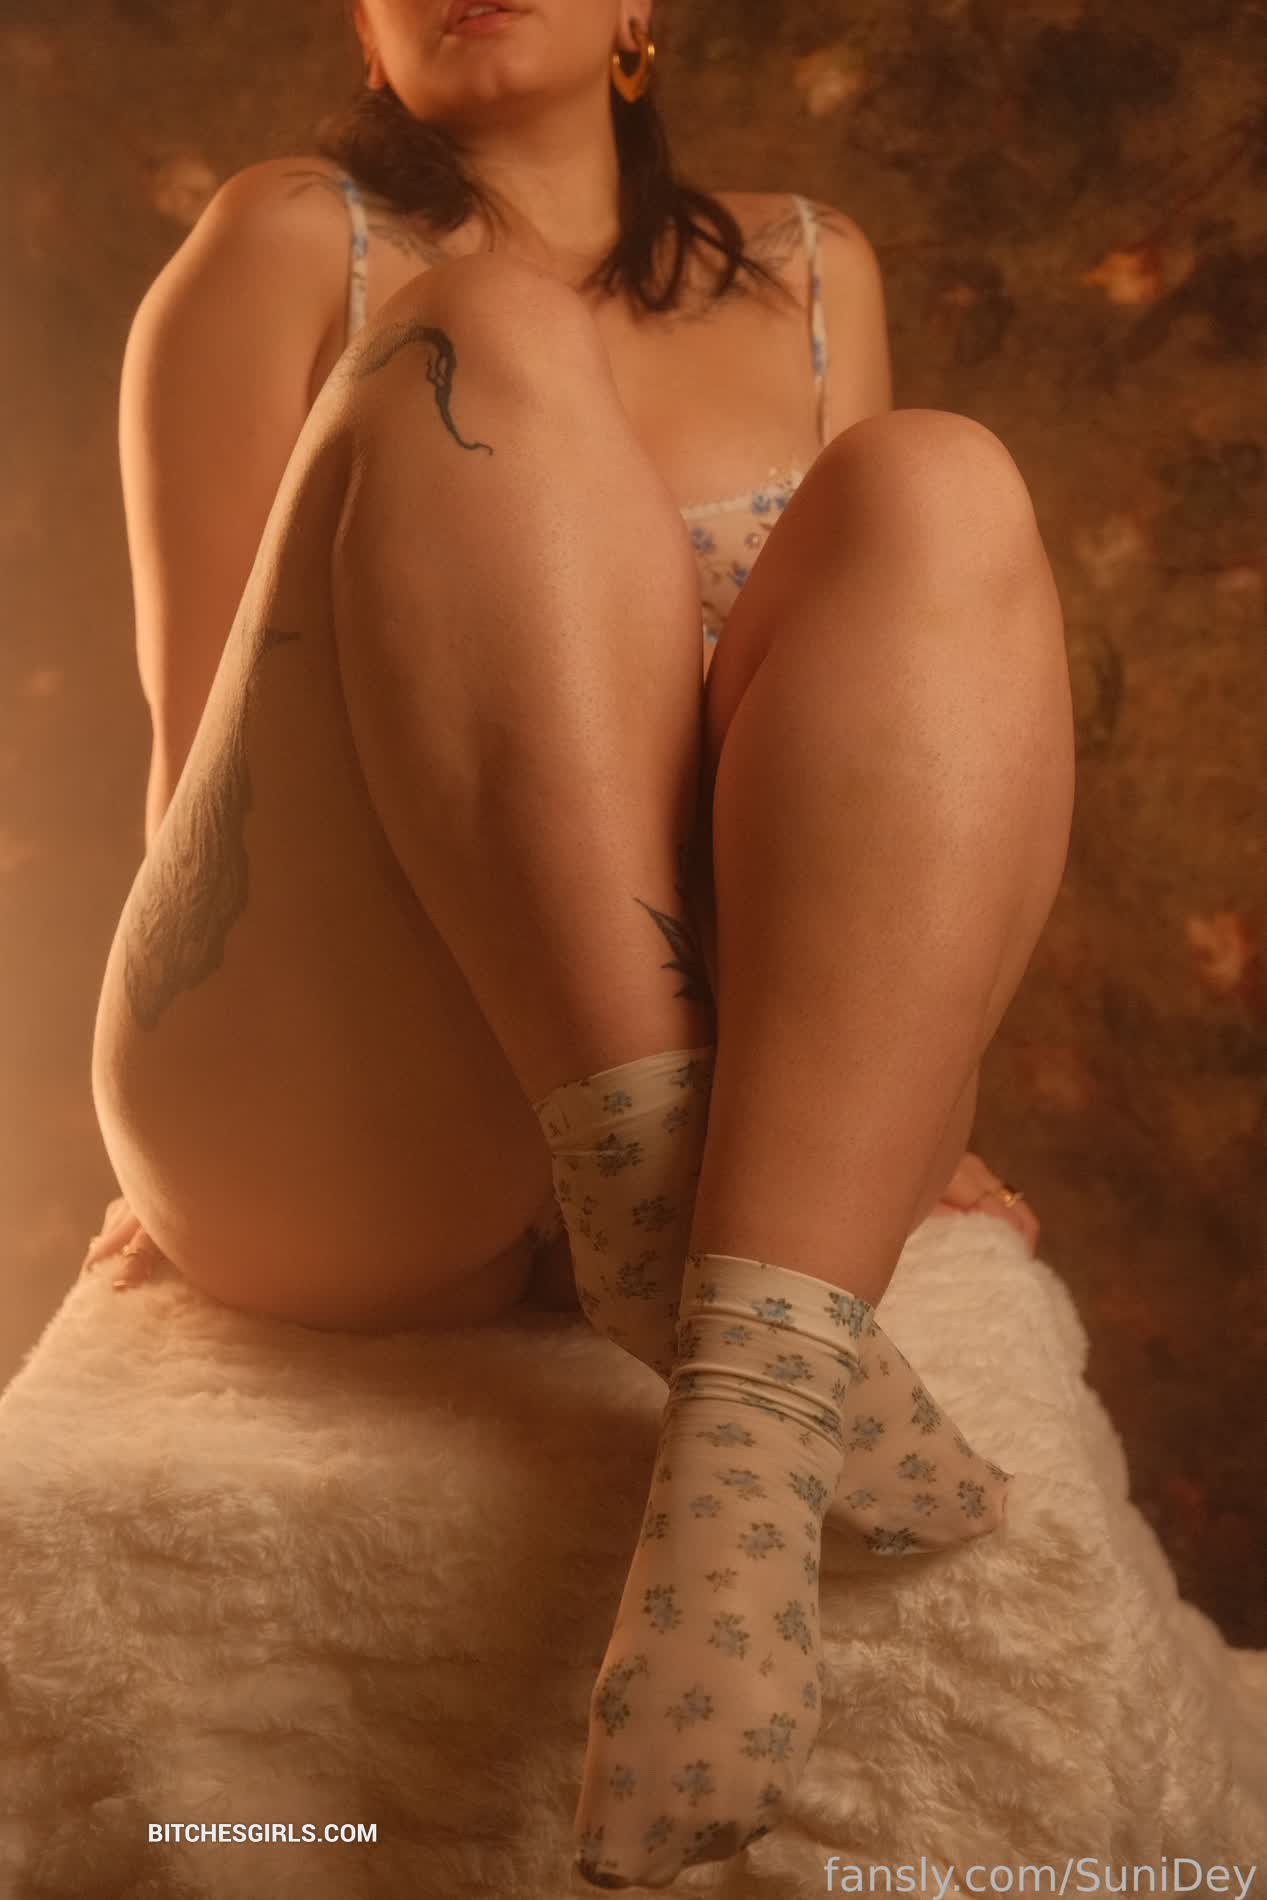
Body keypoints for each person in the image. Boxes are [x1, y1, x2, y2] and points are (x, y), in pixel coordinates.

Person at [80, 0, 1074, 1884]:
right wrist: (175, 1158)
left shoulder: (815, 270)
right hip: (349, 1070)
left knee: (939, 481)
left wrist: (893, 1079)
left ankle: (744, 1420)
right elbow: (209, 767)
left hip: (725, 1029)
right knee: (490, 323)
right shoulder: (286, 235)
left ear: (642, 9)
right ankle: (679, 1233)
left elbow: (866, 730)